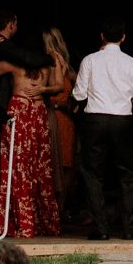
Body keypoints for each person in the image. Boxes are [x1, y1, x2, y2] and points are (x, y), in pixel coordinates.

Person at [0, 26, 60, 238]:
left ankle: (18, 221)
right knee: (39, 165)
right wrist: (43, 89)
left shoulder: (13, 64)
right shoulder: (48, 64)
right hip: (38, 112)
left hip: (20, 113)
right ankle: (40, 220)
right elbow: (59, 86)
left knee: (16, 164)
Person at [72, 15, 133, 241]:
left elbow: (79, 94)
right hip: (123, 120)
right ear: (123, 38)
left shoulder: (89, 60)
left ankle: (101, 228)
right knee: (127, 174)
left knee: (93, 174)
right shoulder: (132, 63)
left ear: (102, 36)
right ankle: (129, 228)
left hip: (95, 120)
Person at [36, 27, 79, 219]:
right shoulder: (67, 66)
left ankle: (54, 208)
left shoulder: (51, 60)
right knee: (64, 164)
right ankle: (58, 208)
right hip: (64, 118)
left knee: (57, 163)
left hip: (56, 117)